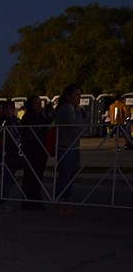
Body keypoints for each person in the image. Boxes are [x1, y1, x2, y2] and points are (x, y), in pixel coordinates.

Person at [53, 84, 86, 218]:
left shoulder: (75, 109)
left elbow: (80, 126)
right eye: (77, 95)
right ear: (68, 96)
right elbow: (75, 128)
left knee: (70, 177)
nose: (79, 97)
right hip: (65, 146)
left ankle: (68, 205)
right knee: (64, 177)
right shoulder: (66, 109)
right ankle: (60, 206)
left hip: (74, 146)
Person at [19, 95, 51, 210]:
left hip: (41, 150)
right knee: (29, 176)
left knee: (38, 176)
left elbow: (48, 125)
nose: (39, 106)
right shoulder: (28, 117)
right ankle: (27, 201)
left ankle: (36, 200)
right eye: (36, 103)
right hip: (31, 150)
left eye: (40, 103)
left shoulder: (42, 116)